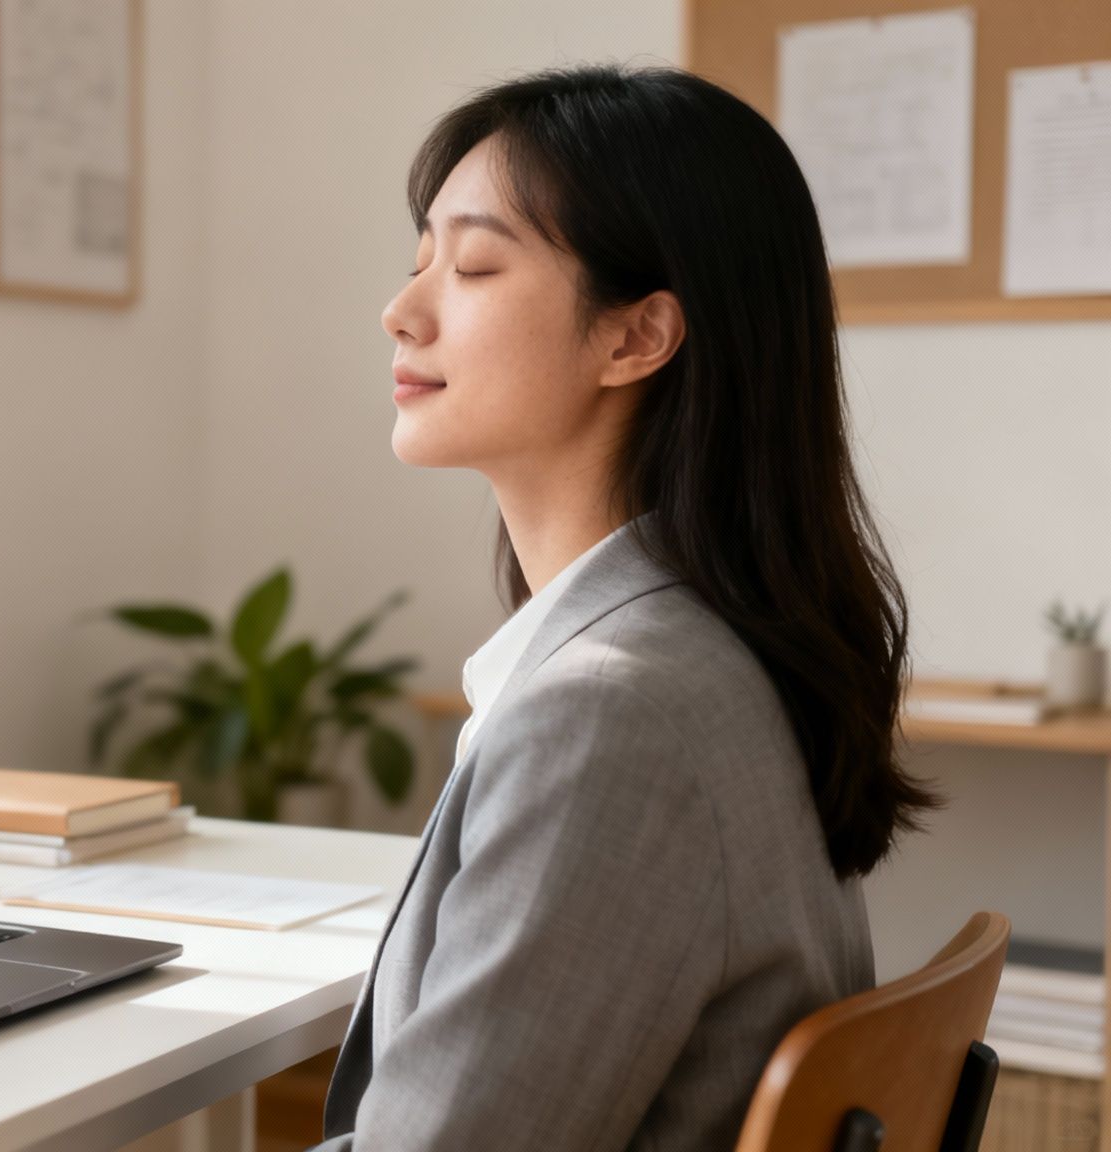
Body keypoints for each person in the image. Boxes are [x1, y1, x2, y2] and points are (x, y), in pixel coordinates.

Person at [315, 64, 942, 1151]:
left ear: (635, 337)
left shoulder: (611, 715)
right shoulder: (712, 646)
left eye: (472, 266)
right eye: (419, 263)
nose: (401, 312)